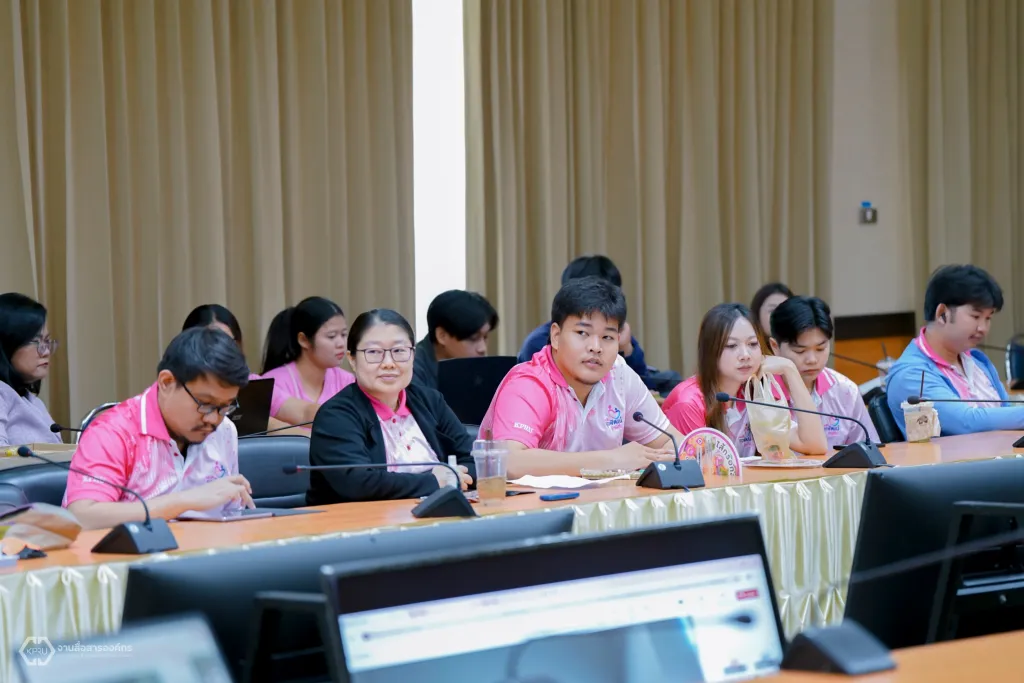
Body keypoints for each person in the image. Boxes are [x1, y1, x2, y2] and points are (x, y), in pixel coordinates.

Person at [480, 277, 685, 479]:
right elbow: (510, 462)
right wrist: (610, 460)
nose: (596, 347)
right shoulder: (529, 383)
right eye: (582, 333)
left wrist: (668, 458)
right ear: (556, 336)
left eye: (607, 337)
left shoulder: (619, 376)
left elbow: (674, 442)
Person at [62, 328, 255, 530]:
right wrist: (184, 501)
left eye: (225, 407)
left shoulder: (224, 430)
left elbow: (230, 517)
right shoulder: (113, 432)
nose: (213, 419)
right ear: (167, 382)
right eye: (205, 404)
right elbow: (83, 517)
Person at [307, 309, 475, 504]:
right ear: (352, 359)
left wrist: (452, 477)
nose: (389, 363)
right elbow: (358, 483)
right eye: (373, 352)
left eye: (399, 351)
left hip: (439, 515)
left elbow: (475, 460)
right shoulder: (336, 416)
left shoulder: (430, 401)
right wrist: (434, 481)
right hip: (362, 520)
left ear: (413, 355)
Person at [662, 303, 827, 458]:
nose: (745, 355)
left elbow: (814, 445)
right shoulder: (688, 402)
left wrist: (790, 370)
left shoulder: (755, 391)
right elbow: (698, 471)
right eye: (732, 346)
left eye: (753, 344)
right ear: (710, 351)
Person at [886, 264, 1024, 436]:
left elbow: (1006, 412)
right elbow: (966, 421)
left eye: (988, 318)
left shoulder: (978, 362)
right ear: (942, 314)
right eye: (975, 316)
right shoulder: (911, 375)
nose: (983, 328)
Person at [768, 296, 880, 446]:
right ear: (775, 347)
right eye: (800, 351)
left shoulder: (845, 391)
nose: (812, 359)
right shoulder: (761, 394)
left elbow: (870, 450)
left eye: (820, 348)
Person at [260, 296, 355, 426]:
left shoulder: (348, 381)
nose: (341, 343)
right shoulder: (274, 383)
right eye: (331, 336)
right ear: (303, 340)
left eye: (343, 334)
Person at [0, 293, 62, 447]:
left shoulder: (33, 402)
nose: (46, 351)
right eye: (36, 341)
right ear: (7, 343)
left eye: (47, 341)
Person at [413, 290, 499, 390]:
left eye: (485, 337)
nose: (483, 348)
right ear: (442, 336)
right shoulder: (410, 372)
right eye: (473, 338)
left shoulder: (473, 367)